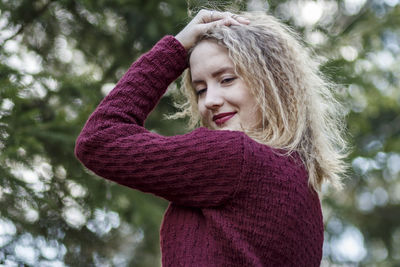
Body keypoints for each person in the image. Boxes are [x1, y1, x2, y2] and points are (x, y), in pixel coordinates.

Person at [75, 9, 348, 266]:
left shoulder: (235, 156)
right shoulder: (307, 192)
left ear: (273, 82)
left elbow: (99, 138)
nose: (210, 101)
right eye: (200, 89)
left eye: (227, 79)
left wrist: (175, 48)